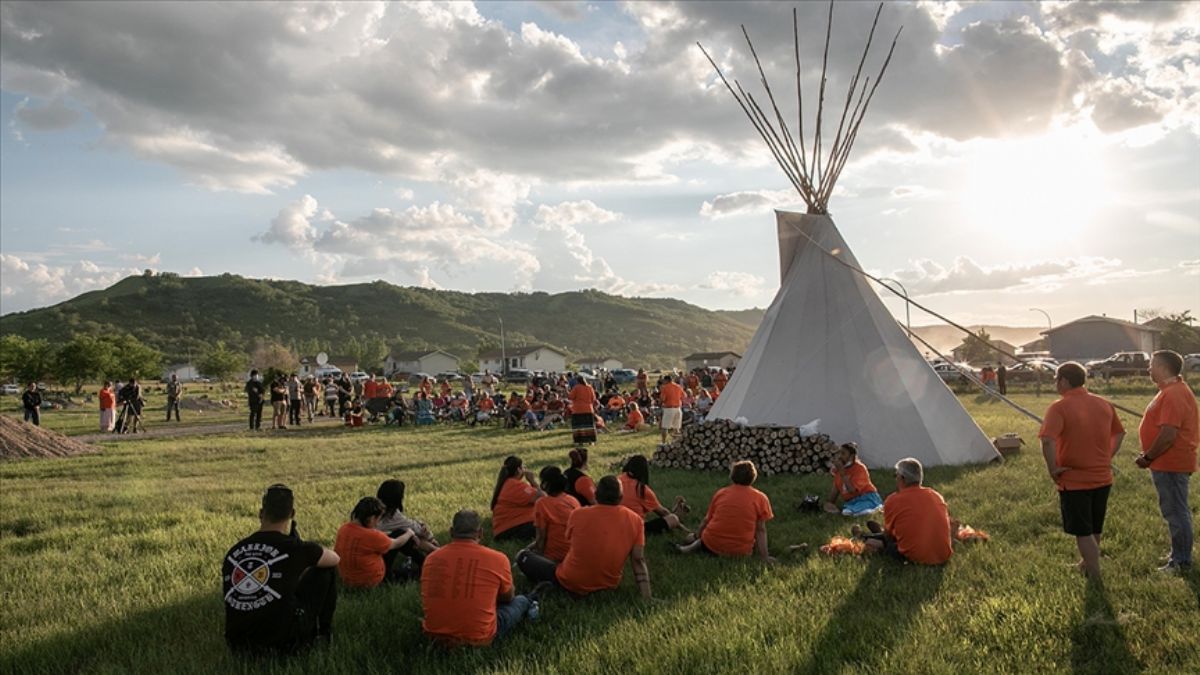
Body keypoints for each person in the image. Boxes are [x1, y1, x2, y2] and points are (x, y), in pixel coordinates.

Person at [223, 484, 339, 653]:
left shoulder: (234, 552)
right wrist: (304, 556)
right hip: (281, 644)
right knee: (326, 571)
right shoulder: (296, 548)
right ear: (292, 514)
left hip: (237, 645)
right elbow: (335, 559)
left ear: (261, 513)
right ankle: (322, 634)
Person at [1038, 362, 1124, 579]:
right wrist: (1107, 456)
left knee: (1082, 531)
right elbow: (1119, 434)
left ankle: (1094, 574)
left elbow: (1048, 441)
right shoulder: (1103, 404)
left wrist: (1053, 469)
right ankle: (1087, 563)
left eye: (1057, 379)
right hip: (1103, 477)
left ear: (1064, 381)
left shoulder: (1059, 407)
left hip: (1074, 479)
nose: (1055, 383)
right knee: (1095, 525)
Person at [515, 475, 652, 599]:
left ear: (596, 495)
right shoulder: (636, 520)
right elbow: (638, 560)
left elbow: (571, 542)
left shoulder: (578, 514)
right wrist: (647, 597)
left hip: (570, 580)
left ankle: (551, 584)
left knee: (523, 556)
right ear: (621, 498)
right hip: (608, 585)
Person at [421, 510, 540, 646]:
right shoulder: (498, 558)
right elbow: (508, 597)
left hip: (434, 637)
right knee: (520, 600)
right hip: (479, 638)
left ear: (451, 532)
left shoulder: (431, 559)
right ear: (480, 533)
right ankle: (530, 600)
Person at [1136, 350, 1197, 573]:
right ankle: (1178, 553)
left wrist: (1148, 457)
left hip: (1171, 462)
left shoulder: (1174, 394)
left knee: (1176, 512)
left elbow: (1169, 434)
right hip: (1167, 462)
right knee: (1173, 510)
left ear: (1162, 367)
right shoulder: (1170, 391)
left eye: (1152, 365)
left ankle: (1181, 561)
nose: (1149, 369)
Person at [859, 458, 953, 565]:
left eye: (896, 476)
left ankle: (866, 537)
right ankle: (873, 534)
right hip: (943, 555)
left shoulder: (893, 500)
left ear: (902, 478)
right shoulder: (936, 496)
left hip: (913, 557)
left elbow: (889, 535)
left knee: (883, 542)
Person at [678, 460, 774, 563]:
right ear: (753, 477)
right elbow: (760, 530)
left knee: (702, 539)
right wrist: (764, 556)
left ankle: (691, 546)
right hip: (740, 552)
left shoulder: (721, 493)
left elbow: (706, 520)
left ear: (732, 476)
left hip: (711, 545)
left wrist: (697, 535)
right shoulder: (760, 498)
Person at [334, 497, 416, 589]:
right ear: (372, 518)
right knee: (400, 535)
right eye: (378, 519)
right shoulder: (371, 536)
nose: (377, 524)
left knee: (395, 536)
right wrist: (409, 533)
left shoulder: (343, 529)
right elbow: (397, 543)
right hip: (371, 581)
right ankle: (422, 565)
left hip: (348, 580)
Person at [376, 479, 440, 577]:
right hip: (379, 559)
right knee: (407, 536)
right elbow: (416, 528)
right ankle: (435, 556)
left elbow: (410, 525)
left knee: (407, 533)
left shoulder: (373, 509)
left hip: (373, 549)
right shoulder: (392, 516)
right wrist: (430, 538)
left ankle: (435, 554)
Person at [620, 455, 691, 535]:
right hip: (634, 530)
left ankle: (677, 512)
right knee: (672, 518)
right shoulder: (642, 489)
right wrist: (683, 528)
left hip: (615, 526)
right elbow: (663, 512)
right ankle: (678, 513)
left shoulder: (617, 480)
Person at [522, 466, 580, 563]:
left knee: (522, 557)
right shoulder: (572, 500)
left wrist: (538, 559)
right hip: (574, 554)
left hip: (553, 558)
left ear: (545, 484)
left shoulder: (542, 503)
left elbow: (541, 538)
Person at [490, 456, 543, 540]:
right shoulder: (515, 485)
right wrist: (532, 481)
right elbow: (543, 499)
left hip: (506, 529)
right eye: (523, 467)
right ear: (518, 469)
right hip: (513, 529)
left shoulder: (507, 483)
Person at [823, 443, 883, 516]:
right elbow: (836, 489)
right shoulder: (839, 471)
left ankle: (876, 508)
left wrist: (843, 473)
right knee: (846, 512)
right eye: (839, 453)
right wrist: (830, 503)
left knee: (860, 511)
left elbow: (852, 490)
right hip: (852, 501)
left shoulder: (860, 468)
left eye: (843, 454)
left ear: (851, 456)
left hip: (865, 497)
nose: (840, 457)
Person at [568, 376, 598, 445]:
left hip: (578, 410)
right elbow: (593, 399)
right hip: (588, 409)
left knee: (579, 427)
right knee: (589, 426)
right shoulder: (590, 387)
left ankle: (579, 441)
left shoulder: (576, 387)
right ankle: (591, 441)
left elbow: (570, 397)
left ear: (577, 381)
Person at [658, 375, 685, 444]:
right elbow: (684, 396)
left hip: (669, 409)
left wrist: (660, 403)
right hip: (678, 408)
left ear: (666, 380)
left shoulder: (665, 388)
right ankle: (677, 442)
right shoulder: (678, 386)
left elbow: (663, 399)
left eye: (664, 380)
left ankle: (663, 442)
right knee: (676, 427)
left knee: (665, 427)